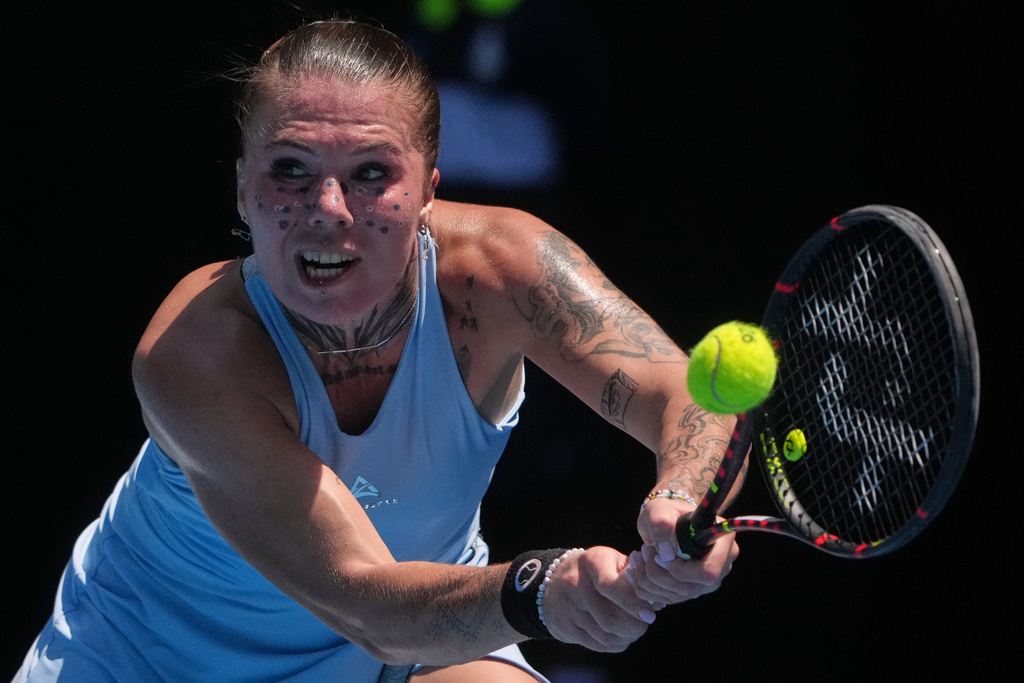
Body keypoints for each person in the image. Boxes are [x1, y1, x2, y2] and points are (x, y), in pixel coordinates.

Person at [16, 19, 738, 683]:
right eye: (290, 168)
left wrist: (683, 497)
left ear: (428, 191)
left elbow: (685, 391)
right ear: (241, 188)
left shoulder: (504, 271)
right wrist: (539, 592)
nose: (329, 209)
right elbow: (368, 604)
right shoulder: (193, 350)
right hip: (144, 665)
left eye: (371, 174)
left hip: (413, 650)